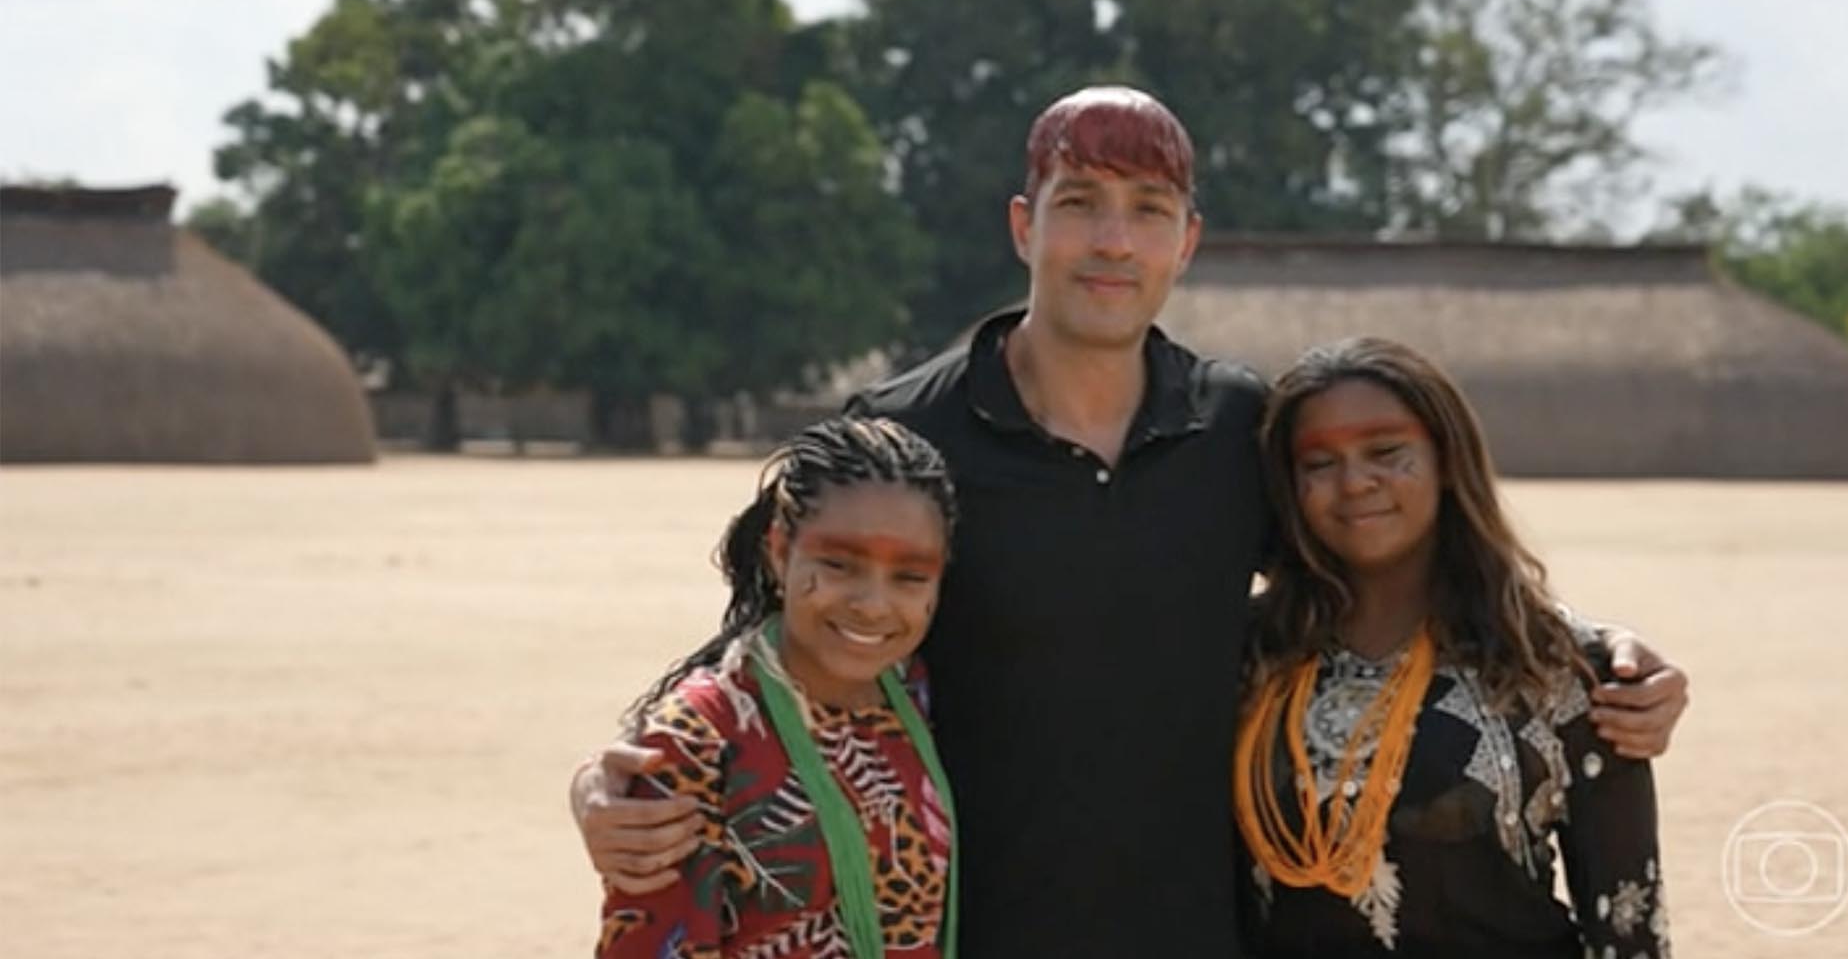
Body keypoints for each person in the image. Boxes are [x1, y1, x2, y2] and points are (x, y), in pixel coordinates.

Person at [573, 87, 1691, 957]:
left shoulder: (1240, 429)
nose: (1114, 240)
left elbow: (1389, 570)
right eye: (1081, 204)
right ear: (1025, 224)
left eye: (1147, 211)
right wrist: (605, 783)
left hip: (1205, 939)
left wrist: (1600, 654)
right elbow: (773, 642)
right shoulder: (909, 431)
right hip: (974, 936)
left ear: (1186, 241)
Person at [1236, 338, 1668, 957]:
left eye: (1386, 452)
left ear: (1446, 461)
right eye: (1319, 463)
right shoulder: (1245, 658)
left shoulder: (1562, 669)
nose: (1355, 481)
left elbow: (1628, 922)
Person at [596, 418, 961, 959]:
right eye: (838, 564)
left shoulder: (917, 697)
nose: (872, 604)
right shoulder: (696, 740)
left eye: (910, 578)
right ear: (780, 550)